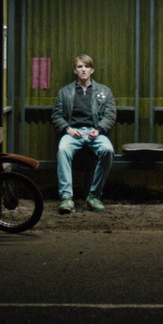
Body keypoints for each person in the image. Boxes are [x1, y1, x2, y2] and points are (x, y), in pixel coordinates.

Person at [51, 54, 115, 213]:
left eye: (86, 66)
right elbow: (56, 115)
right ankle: (66, 198)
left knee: (108, 150)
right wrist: (68, 129)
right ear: (75, 70)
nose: (83, 70)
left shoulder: (104, 91)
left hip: (95, 132)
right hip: (73, 132)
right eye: (80, 67)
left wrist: (98, 129)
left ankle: (94, 195)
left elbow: (110, 115)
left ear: (92, 70)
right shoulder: (65, 92)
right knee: (63, 150)